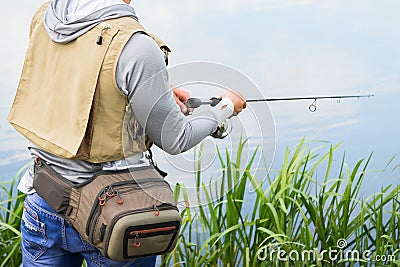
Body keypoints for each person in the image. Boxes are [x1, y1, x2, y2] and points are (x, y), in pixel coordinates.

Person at [8, 0, 246, 266]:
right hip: (115, 214)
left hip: (46, 201)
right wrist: (224, 108)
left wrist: (152, 88)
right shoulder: (136, 47)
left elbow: (70, 76)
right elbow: (175, 138)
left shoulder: (49, 17)